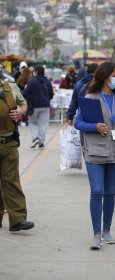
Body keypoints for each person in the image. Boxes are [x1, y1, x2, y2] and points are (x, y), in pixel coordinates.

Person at [74, 62, 115, 250]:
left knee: (110, 193)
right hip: (95, 152)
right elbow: (77, 123)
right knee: (97, 191)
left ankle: (107, 230)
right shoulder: (90, 98)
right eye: (114, 74)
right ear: (105, 76)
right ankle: (96, 234)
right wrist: (94, 127)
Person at [0, 67, 34, 231]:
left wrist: (20, 111)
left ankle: (17, 219)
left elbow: (23, 103)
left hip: (9, 142)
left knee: (11, 181)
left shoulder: (10, 86)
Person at [23, 65, 54, 149]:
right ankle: (41, 142)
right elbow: (51, 94)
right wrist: (47, 99)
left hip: (34, 106)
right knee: (43, 124)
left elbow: (25, 93)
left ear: (36, 72)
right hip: (46, 105)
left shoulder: (32, 81)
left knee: (32, 122)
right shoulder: (47, 81)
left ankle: (35, 138)